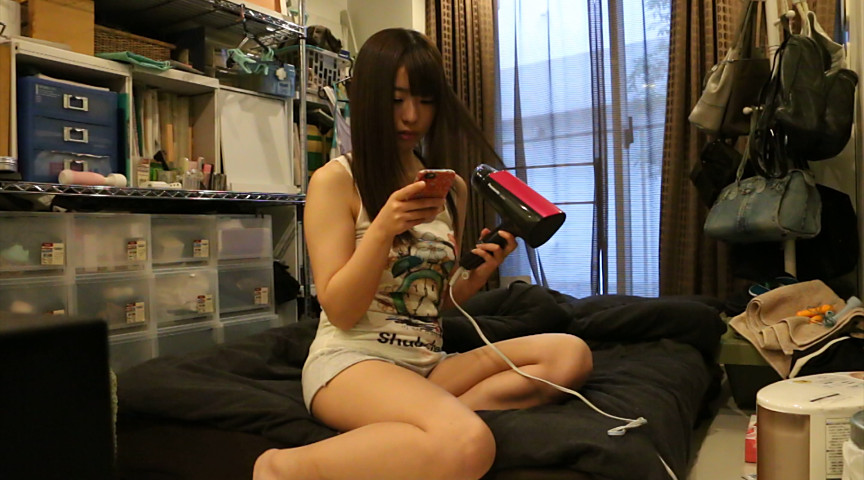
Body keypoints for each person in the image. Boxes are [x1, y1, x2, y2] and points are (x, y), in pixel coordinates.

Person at [254, 28, 593, 480]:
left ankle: (425, 425)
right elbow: (341, 310)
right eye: (396, 100)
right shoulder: (336, 180)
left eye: (425, 101)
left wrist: (475, 276)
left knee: (569, 355)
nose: (411, 116)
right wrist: (383, 229)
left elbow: (435, 303)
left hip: (428, 364)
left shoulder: (450, 189)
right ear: (369, 98)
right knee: (470, 444)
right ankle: (281, 468)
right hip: (354, 362)